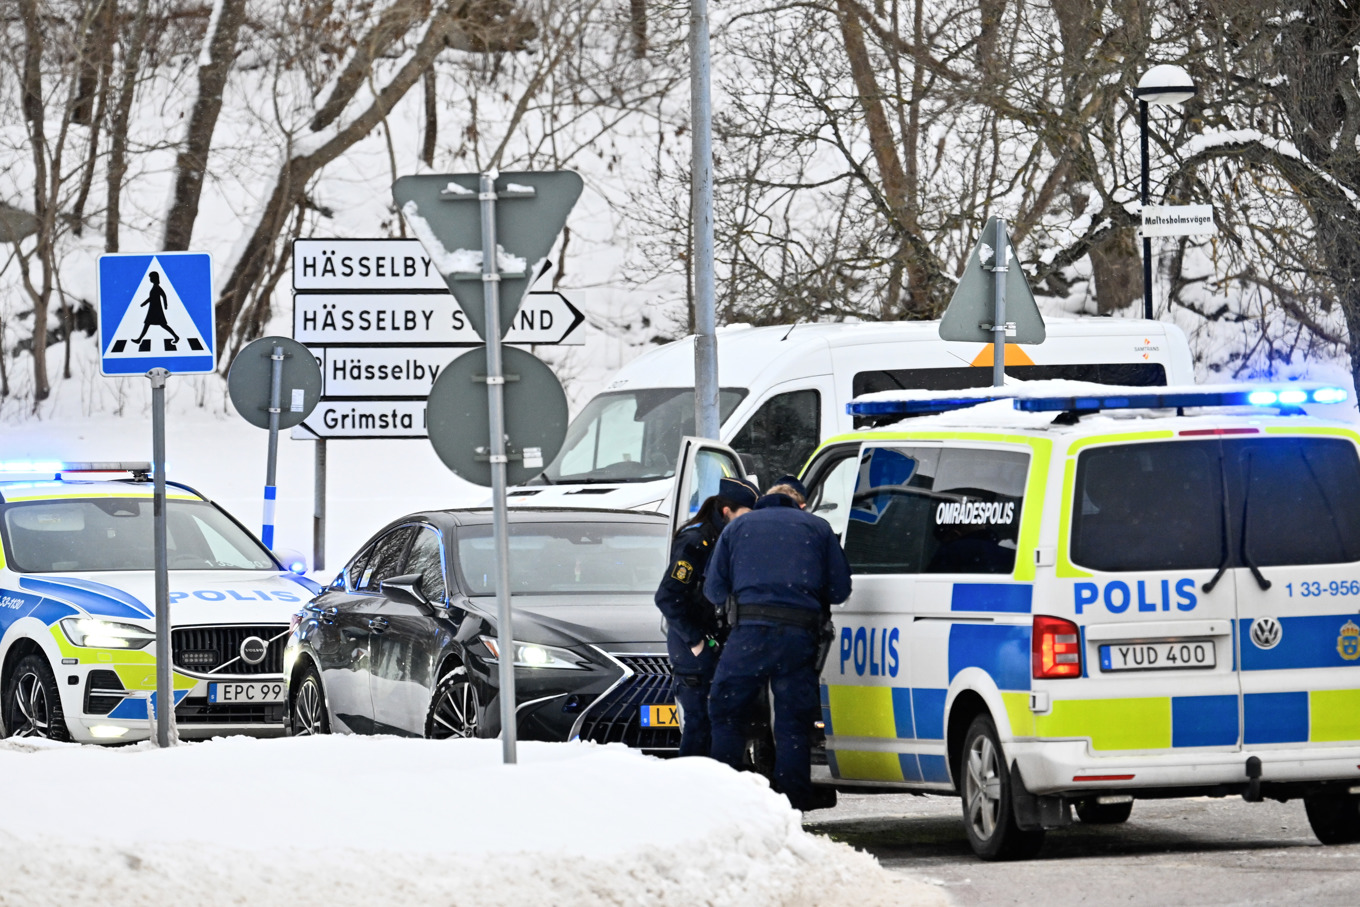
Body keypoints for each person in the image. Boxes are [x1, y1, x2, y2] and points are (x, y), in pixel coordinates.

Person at [704, 475, 851, 812]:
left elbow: (713, 590)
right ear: (799, 503)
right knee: (793, 722)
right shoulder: (818, 528)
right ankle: (792, 803)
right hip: (799, 637)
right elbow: (840, 589)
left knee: (727, 713)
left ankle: (722, 799)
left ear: (764, 500)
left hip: (749, 635)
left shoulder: (737, 529)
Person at [654, 476, 758, 756]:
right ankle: (692, 788)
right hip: (694, 648)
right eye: (745, 515)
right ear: (727, 512)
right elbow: (667, 597)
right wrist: (696, 640)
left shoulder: (731, 537)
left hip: (716, 643)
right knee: (699, 723)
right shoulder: (697, 540)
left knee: (720, 723)